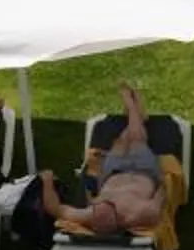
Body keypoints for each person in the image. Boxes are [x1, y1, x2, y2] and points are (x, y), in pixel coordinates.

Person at [33, 81, 168, 237]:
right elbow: (162, 195)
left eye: (98, 204)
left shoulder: (89, 214)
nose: (99, 202)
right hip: (143, 171)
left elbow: (55, 209)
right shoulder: (140, 214)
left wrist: (46, 181)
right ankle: (132, 107)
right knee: (137, 140)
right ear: (119, 216)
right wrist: (166, 181)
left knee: (120, 141)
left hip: (112, 172)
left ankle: (136, 116)